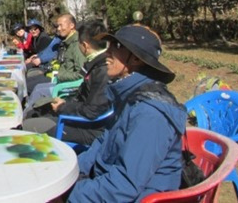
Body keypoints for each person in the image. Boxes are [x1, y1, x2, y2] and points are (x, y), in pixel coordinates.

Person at [67, 25, 186, 202]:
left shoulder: (149, 114)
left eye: (117, 47)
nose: (107, 53)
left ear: (136, 59)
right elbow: (103, 142)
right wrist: (73, 172)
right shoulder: (129, 96)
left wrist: (70, 194)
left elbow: (124, 185)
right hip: (110, 185)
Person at [23, 21, 110, 145]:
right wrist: (66, 103)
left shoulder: (101, 70)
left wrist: (63, 107)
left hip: (87, 128)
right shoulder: (97, 64)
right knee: (34, 112)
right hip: (77, 115)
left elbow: (92, 111)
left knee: (28, 125)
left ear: (85, 45)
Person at [26, 14, 85, 94]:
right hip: (56, 75)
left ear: (71, 25)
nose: (58, 29)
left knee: (32, 88)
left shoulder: (77, 45)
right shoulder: (66, 41)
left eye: (61, 25)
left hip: (63, 83)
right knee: (26, 83)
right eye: (57, 26)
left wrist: (59, 76)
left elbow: (81, 73)